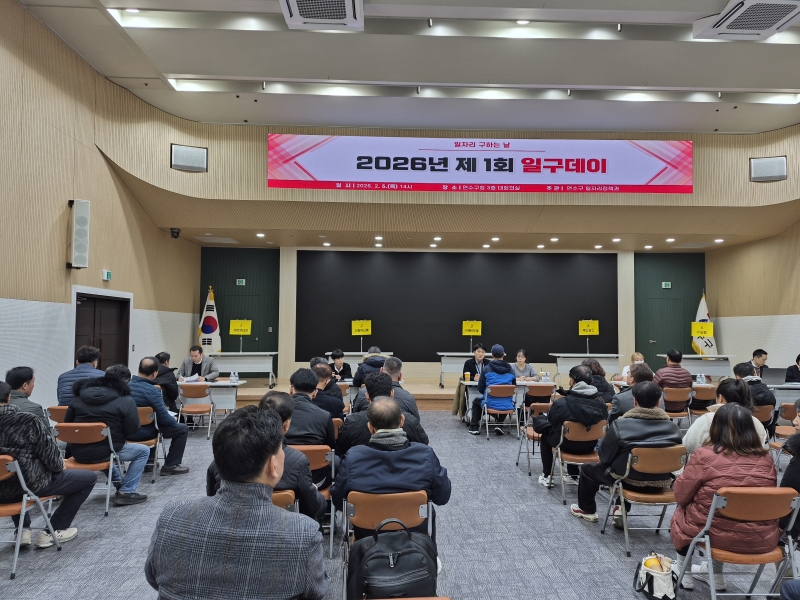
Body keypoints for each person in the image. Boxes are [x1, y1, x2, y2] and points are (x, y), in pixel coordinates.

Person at [146, 407, 329, 600]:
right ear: (272, 465)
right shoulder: (303, 533)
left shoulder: (172, 517)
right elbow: (316, 591)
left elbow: (154, 578)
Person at [670, 403, 777, 592]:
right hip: (760, 537)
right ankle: (715, 574)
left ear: (716, 427)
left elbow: (680, 495)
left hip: (713, 535)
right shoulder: (767, 459)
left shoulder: (703, 455)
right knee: (724, 513)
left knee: (684, 510)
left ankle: (683, 571)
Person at [331, 398, 451, 542]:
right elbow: (442, 497)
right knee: (428, 510)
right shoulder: (425, 454)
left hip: (367, 539)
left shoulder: (353, 457)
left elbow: (338, 500)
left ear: (370, 427)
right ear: (402, 421)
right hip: (414, 538)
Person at [0, 381, 96, 548]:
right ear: (9, 397)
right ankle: (53, 530)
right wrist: (60, 465)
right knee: (88, 478)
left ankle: (22, 530)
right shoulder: (27, 420)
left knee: (12, 473)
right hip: (31, 486)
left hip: (3, 490)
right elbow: (53, 461)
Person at [569, 381, 683, 523]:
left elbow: (604, 457)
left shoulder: (620, 425)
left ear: (634, 401)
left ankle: (587, 510)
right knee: (628, 464)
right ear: (659, 401)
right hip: (661, 481)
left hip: (628, 481)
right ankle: (620, 507)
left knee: (588, 469)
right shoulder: (674, 429)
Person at [207, 394, 327, 522]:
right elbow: (313, 506)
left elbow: (212, 497)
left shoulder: (220, 460)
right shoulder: (297, 460)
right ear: (272, 464)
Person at [65, 366, 149, 505]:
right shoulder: (126, 400)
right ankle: (126, 491)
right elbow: (133, 430)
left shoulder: (77, 399)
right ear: (126, 381)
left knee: (104, 447)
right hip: (107, 451)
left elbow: (68, 427)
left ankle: (119, 484)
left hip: (78, 452)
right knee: (142, 451)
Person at [537, 365, 607, 487]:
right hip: (590, 446)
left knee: (547, 435)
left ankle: (547, 475)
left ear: (573, 380)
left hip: (565, 445)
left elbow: (552, 422)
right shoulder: (601, 403)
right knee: (575, 432)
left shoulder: (561, 404)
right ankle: (573, 475)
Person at [336, 373, 429, 457]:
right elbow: (422, 446)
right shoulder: (410, 420)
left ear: (367, 396)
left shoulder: (352, 422)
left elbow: (341, 450)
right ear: (392, 393)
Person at [127, 357, 190, 475]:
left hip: (126, 432)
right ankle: (170, 465)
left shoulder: (125, 387)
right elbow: (164, 418)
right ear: (155, 373)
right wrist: (173, 420)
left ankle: (149, 463)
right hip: (146, 432)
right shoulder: (152, 391)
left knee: (152, 422)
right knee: (182, 429)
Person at [683, 378, 768, 455]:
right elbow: (758, 449)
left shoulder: (708, 419)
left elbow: (689, 445)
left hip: (710, 469)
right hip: (747, 470)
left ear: (720, 398)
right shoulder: (756, 423)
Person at [284, 368, 336, 484]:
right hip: (316, 478)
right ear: (315, 392)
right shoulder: (325, 416)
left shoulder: (278, 414)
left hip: (281, 475)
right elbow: (331, 446)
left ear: (291, 389)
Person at [468, 344, 517, 436]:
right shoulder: (511, 370)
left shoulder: (486, 369)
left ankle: (473, 427)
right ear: (504, 355)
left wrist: (487, 394)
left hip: (490, 403)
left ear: (492, 355)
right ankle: (500, 424)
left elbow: (481, 387)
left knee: (476, 402)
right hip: (508, 405)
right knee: (504, 399)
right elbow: (513, 387)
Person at [351, 357, 420, 418]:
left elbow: (355, 414)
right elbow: (416, 422)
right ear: (400, 376)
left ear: (381, 371)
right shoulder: (408, 397)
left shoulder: (363, 393)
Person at [734, 361, 777, 436]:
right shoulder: (769, 392)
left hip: (743, 429)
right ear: (755, 373)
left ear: (737, 377)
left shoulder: (737, 392)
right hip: (765, 427)